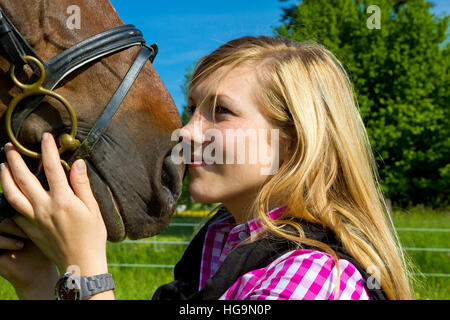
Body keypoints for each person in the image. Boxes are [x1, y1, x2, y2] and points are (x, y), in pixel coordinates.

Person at [0, 36, 412, 300]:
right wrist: (39, 281)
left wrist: (86, 268)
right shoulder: (222, 241)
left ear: (295, 141)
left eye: (222, 112)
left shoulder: (312, 280)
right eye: (193, 109)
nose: (186, 133)